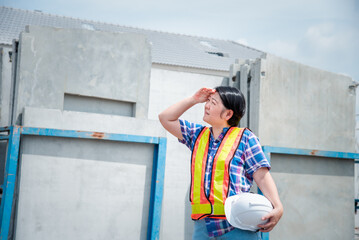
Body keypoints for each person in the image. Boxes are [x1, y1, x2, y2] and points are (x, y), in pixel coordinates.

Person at [158, 86, 283, 240]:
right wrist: (193, 99)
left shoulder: (245, 138)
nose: (207, 105)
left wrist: (278, 206)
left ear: (228, 114)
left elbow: (262, 175)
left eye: (213, 103)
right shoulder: (197, 135)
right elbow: (165, 118)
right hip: (203, 227)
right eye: (208, 101)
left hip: (237, 225)